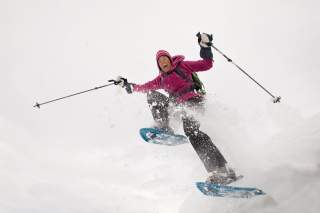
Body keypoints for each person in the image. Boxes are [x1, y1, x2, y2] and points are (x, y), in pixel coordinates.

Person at [117, 33, 237, 184]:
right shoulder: (161, 79)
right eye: (160, 61)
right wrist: (128, 85)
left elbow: (207, 64)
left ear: (170, 59)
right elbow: (143, 86)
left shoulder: (183, 66)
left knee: (192, 132)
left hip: (193, 102)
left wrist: (205, 47)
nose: (163, 62)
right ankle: (164, 127)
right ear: (158, 66)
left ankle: (222, 171)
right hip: (178, 107)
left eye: (165, 58)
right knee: (152, 95)